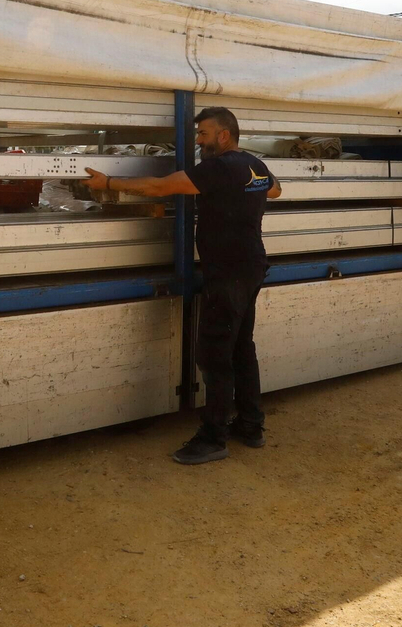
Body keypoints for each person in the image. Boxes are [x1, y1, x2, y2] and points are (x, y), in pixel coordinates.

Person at [83, 107, 280, 465]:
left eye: (204, 134)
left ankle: (213, 437)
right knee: (241, 348)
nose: (200, 141)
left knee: (215, 354)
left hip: (229, 272)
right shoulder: (254, 165)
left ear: (224, 135)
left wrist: (108, 183)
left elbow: (160, 187)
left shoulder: (219, 168)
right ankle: (251, 426)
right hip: (251, 265)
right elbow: (277, 191)